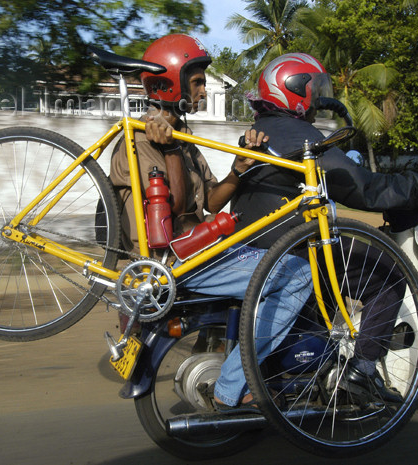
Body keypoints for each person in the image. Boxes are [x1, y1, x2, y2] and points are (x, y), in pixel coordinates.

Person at [231, 52, 418, 402]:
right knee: (389, 272)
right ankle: (361, 371)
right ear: (294, 90)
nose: (317, 98)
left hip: (261, 241)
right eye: (313, 89)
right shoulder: (298, 135)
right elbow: (362, 188)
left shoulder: (264, 129)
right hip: (294, 247)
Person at [109, 34, 305, 408]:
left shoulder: (182, 139)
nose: (201, 91)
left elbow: (212, 203)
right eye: (196, 82)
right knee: (298, 275)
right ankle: (233, 386)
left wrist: (239, 169)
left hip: (197, 251)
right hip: (178, 263)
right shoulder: (142, 139)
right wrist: (165, 146)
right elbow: (169, 214)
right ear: (171, 83)